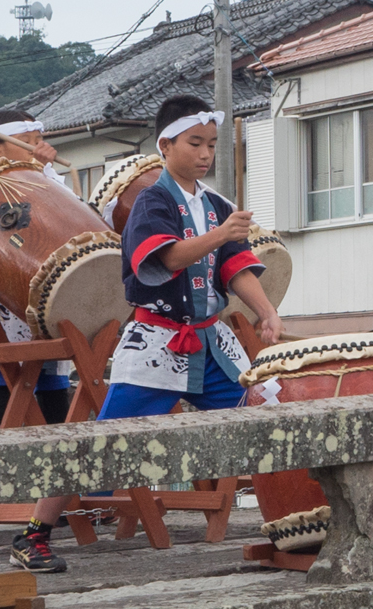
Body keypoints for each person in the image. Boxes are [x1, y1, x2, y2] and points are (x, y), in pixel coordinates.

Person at [93, 94, 283, 427]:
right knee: (110, 444)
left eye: (211, 144)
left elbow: (235, 268)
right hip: (158, 342)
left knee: (268, 418)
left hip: (212, 346)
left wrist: (267, 312)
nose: (205, 154)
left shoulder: (217, 206)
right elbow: (168, 257)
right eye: (195, 143)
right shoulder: (151, 202)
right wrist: (222, 234)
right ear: (165, 145)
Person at [0, 110, 76, 431]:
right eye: (24, 142)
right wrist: (40, 173)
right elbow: (17, 230)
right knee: (5, 399)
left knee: (55, 404)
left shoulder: (49, 179)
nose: (35, 148)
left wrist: (44, 172)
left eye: (37, 141)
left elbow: (72, 221)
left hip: (50, 303)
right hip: (9, 306)